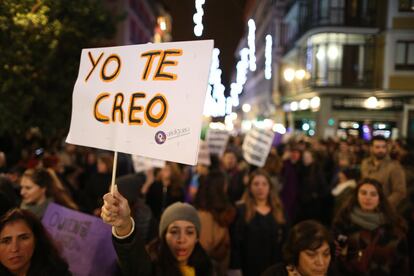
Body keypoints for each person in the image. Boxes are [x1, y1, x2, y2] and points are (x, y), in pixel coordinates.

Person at [101, 189, 213, 276]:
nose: (181, 239)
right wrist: (124, 225)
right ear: (163, 236)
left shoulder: (207, 267)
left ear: (197, 237)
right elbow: (135, 265)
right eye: (174, 231)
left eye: (189, 232)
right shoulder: (153, 264)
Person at [332, 178, 409, 275]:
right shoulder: (343, 222)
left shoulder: (393, 226)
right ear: (356, 196)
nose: (368, 198)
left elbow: (402, 262)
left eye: (373, 194)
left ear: (380, 198)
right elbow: (336, 258)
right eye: (363, 193)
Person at [230, 169, 287, 276]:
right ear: (250, 188)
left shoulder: (279, 210)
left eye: (264, 184)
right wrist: (235, 268)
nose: (260, 187)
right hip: (249, 267)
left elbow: (285, 239)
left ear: (269, 187)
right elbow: (236, 243)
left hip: (274, 267)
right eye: (256, 184)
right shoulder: (241, 210)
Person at [0, 208, 71, 275]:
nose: (14, 249)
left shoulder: (57, 272)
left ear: (37, 240)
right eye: (6, 241)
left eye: (24, 238)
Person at [193, 170, 236, 275]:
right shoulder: (206, 216)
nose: (227, 188)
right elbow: (204, 249)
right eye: (225, 185)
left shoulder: (222, 213)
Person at [262, 220, 334, 276]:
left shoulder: (335, 273)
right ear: (295, 254)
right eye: (311, 255)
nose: (321, 263)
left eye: (326, 254)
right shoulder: (274, 274)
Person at [360, 135, 406, 208]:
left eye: (383, 147)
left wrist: (383, 205)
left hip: (383, 209)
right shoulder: (365, 163)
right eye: (377, 147)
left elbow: (400, 192)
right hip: (365, 205)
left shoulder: (394, 167)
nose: (381, 150)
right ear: (371, 148)